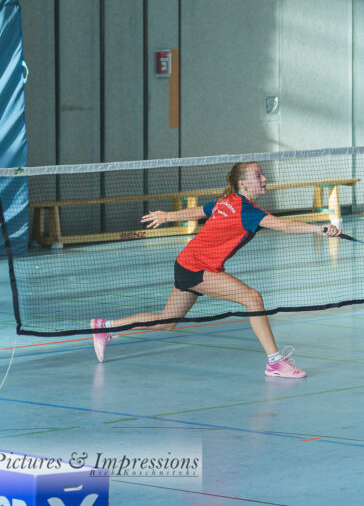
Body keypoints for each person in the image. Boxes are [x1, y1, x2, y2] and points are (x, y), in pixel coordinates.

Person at [90, 161, 341, 377]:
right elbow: (284, 226)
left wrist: (167, 216)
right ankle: (275, 362)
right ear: (243, 184)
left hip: (187, 263)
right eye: (258, 176)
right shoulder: (247, 211)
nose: (264, 179)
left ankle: (106, 326)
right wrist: (320, 229)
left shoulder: (226, 200)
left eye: (262, 175)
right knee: (252, 298)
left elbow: (199, 211)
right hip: (196, 268)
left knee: (165, 322)